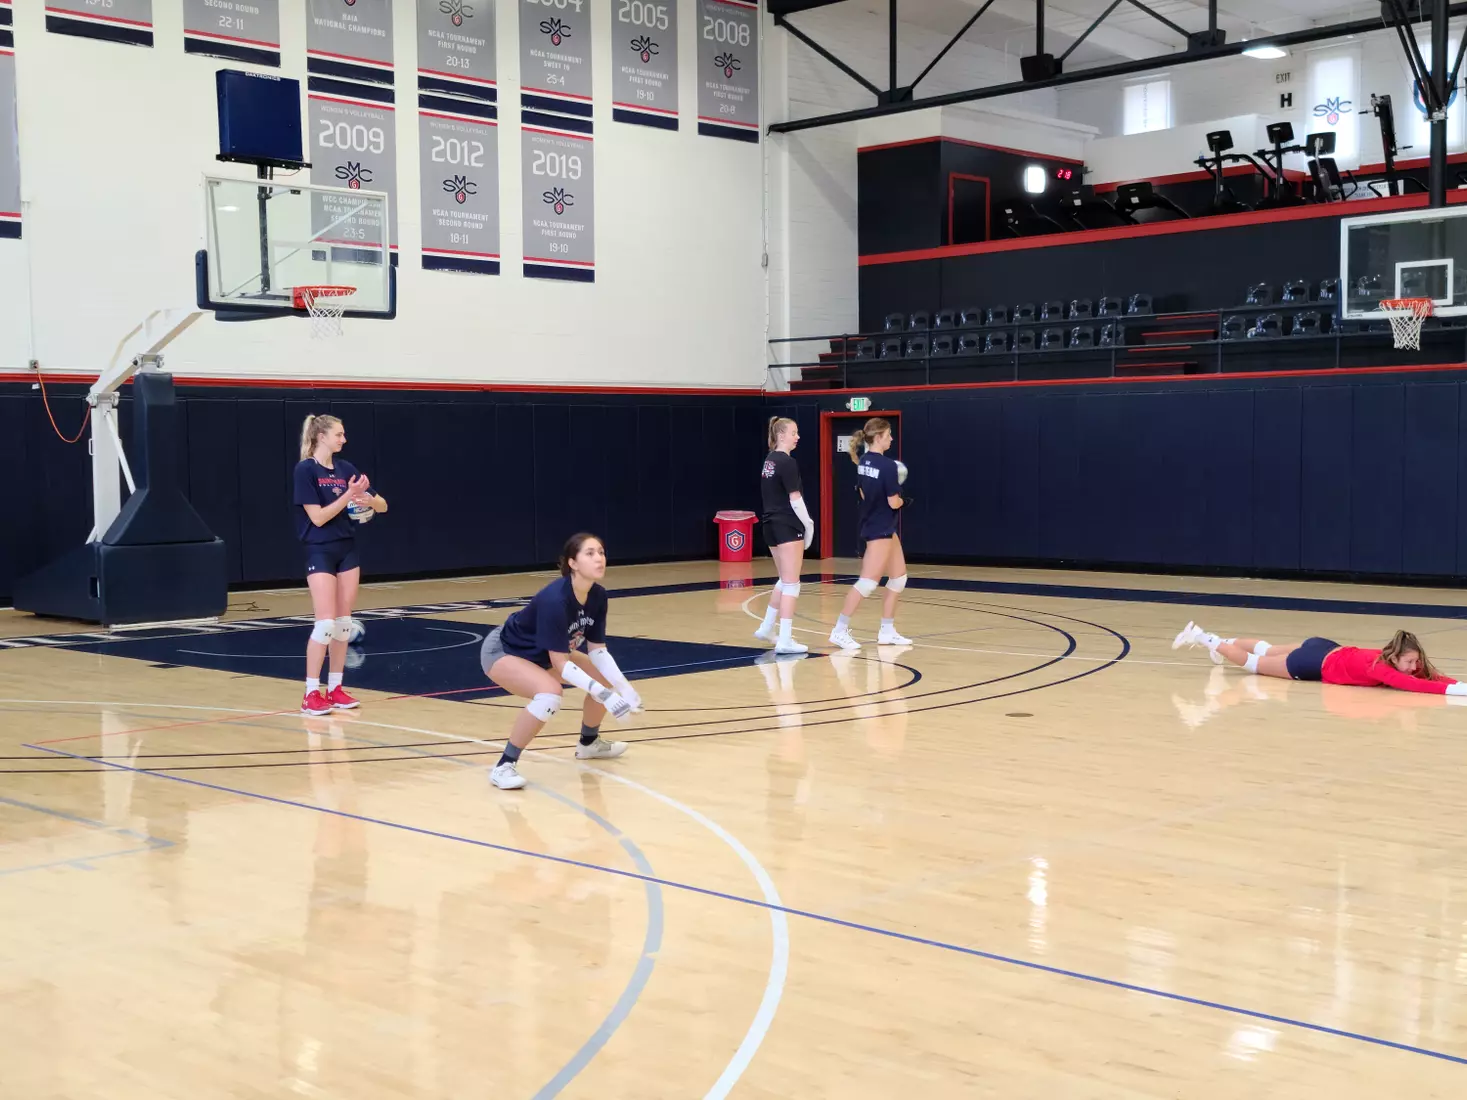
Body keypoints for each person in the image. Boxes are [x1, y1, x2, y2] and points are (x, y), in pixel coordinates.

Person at [480, 532, 642, 790]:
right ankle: (504, 766)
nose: (599, 558)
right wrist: (606, 696)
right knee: (550, 694)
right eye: (590, 553)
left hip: (546, 652)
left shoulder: (598, 596)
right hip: (506, 651)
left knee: (604, 679)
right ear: (572, 563)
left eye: (601, 552)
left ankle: (588, 743)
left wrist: (624, 688)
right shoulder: (555, 600)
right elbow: (561, 665)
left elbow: (598, 651)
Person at [294, 414, 387, 716]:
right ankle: (310, 694)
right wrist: (349, 494)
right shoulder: (305, 470)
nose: (343, 440)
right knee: (325, 624)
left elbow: (383, 505)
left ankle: (335, 689)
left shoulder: (347, 469)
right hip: (319, 550)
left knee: (344, 624)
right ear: (321, 436)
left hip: (347, 549)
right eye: (339, 434)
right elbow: (318, 517)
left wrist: (368, 501)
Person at [1173, 621, 1466, 694]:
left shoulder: (1389, 656)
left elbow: (1427, 675)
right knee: (1255, 664)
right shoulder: (1382, 669)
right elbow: (1414, 685)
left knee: (1266, 649)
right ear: (1396, 658)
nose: (1414, 668)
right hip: (1312, 664)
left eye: (1415, 662)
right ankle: (1203, 637)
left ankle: (1223, 642)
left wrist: (1457, 683)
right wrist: (1456, 691)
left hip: (1323, 646)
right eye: (1410, 663)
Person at [829, 418, 910, 651]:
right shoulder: (888, 466)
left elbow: (863, 493)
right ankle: (839, 630)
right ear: (879, 437)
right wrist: (905, 501)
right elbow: (893, 502)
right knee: (867, 583)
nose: (891, 438)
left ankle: (887, 630)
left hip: (879, 524)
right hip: (879, 528)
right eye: (888, 435)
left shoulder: (864, 461)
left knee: (898, 578)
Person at [754, 416, 815, 655]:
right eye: (793, 433)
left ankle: (767, 627)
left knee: (784, 579)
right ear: (781, 435)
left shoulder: (769, 460)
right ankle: (786, 640)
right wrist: (808, 524)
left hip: (770, 525)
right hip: (787, 525)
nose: (797, 437)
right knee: (792, 584)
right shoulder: (788, 462)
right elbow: (795, 498)